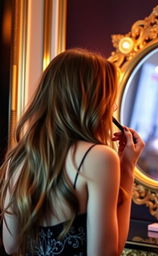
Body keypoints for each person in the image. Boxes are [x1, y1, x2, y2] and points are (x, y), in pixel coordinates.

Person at [0, 48, 144, 256]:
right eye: (109, 99)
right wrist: (128, 168)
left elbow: (11, 245)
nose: (112, 107)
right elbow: (106, 253)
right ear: (93, 101)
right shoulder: (100, 157)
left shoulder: (19, 156)